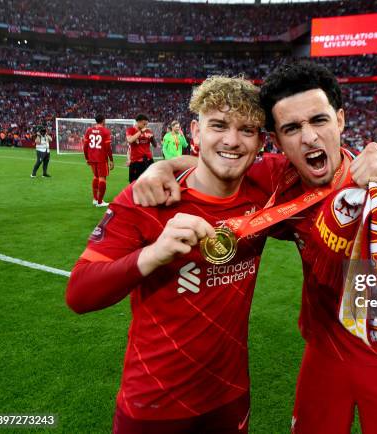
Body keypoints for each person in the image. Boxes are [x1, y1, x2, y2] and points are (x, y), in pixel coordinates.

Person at [132, 61, 377, 434]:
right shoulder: (277, 178)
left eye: (319, 120)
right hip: (323, 354)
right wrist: (162, 166)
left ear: (340, 119)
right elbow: (218, 162)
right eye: (291, 128)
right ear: (277, 140)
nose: (308, 137)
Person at [66, 76, 273, 433]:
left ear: (261, 142)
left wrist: (166, 162)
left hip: (230, 396)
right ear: (196, 130)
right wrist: (154, 254)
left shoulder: (265, 187)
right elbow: (79, 293)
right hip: (153, 401)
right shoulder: (146, 197)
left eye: (247, 130)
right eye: (218, 125)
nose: (232, 140)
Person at [83, 115, 114, 207]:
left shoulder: (89, 130)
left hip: (92, 157)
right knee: (102, 178)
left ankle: (95, 199)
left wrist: (87, 158)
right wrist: (111, 160)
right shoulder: (105, 131)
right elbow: (108, 147)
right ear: (103, 120)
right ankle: (100, 202)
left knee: (96, 176)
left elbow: (85, 146)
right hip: (101, 158)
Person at [126, 114, 157, 182]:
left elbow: (155, 145)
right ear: (138, 122)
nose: (145, 126)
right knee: (134, 183)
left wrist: (152, 138)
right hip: (136, 161)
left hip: (148, 160)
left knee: (150, 181)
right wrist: (141, 131)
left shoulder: (148, 131)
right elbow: (130, 140)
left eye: (146, 124)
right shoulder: (131, 130)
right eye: (144, 124)